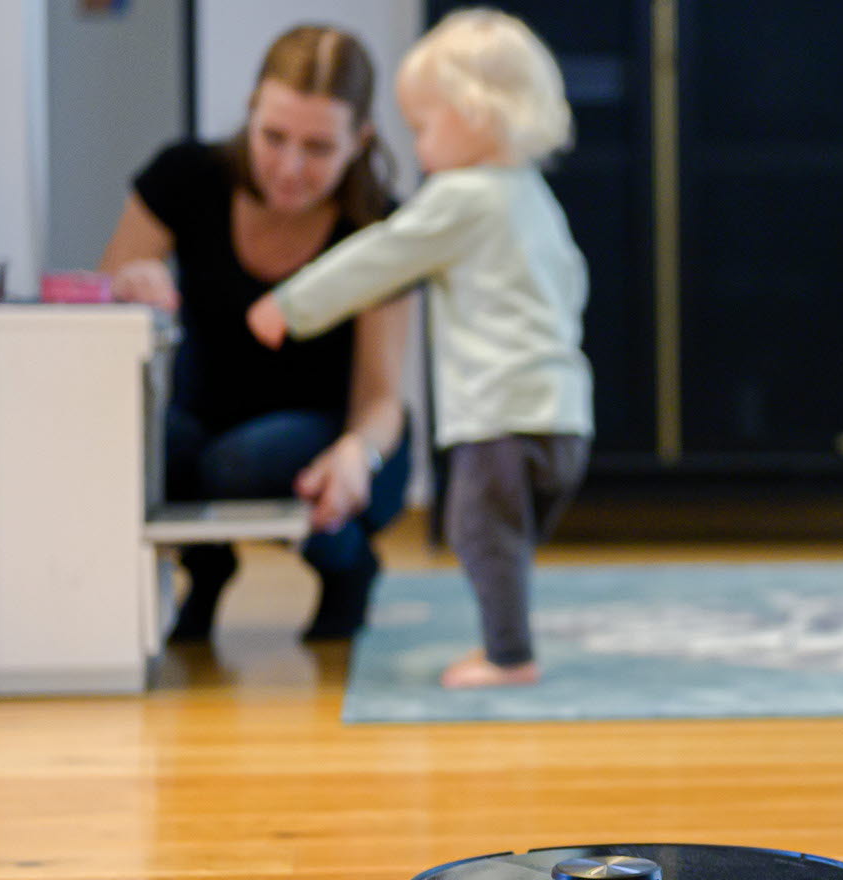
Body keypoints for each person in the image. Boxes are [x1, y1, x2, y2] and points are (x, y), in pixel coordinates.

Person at [250, 9, 590, 689]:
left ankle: (508, 655)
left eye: (423, 127)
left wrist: (290, 304)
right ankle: (507, 636)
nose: (419, 147)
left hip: (498, 416)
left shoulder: (461, 196)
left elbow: (381, 257)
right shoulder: (533, 196)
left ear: (476, 115)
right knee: (506, 538)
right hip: (564, 416)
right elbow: (572, 283)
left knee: (477, 534)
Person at [99, 25, 413, 643]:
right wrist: (129, 288)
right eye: (273, 137)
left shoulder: (380, 228)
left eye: (319, 147)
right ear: (250, 114)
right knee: (152, 443)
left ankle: (348, 566)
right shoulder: (186, 176)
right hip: (205, 419)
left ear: (361, 142)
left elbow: (380, 399)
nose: (289, 168)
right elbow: (102, 304)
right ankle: (207, 571)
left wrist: (358, 453)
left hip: (327, 432)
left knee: (240, 464)